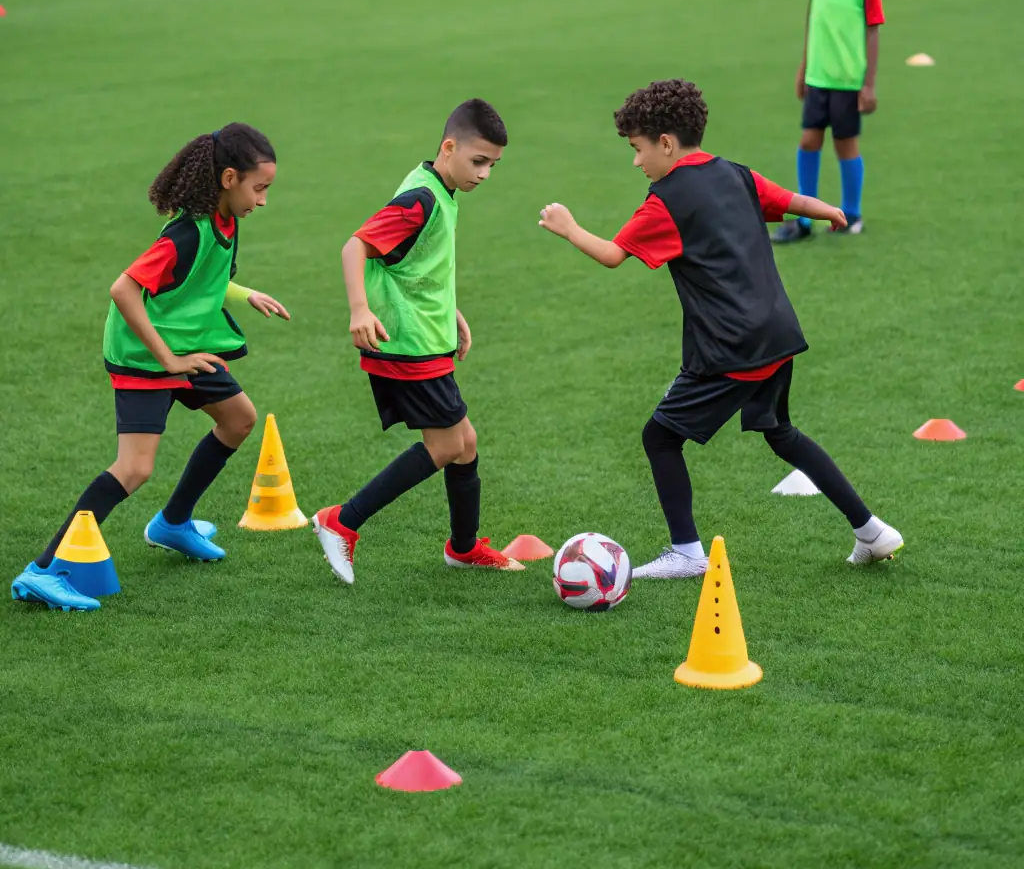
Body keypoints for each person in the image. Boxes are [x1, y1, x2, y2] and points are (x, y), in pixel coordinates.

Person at [539, 79, 902, 579]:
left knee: (659, 438)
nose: (637, 162)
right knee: (781, 433)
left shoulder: (665, 200)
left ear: (666, 143)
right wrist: (824, 209)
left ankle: (687, 552)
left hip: (731, 348)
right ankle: (872, 531)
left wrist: (569, 227)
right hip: (775, 333)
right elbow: (787, 200)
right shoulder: (734, 172)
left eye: (638, 149)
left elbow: (612, 255)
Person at [11, 123, 290, 612]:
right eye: (259, 188)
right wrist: (169, 361)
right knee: (135, 468)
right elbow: (124, 289)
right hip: (144, 355)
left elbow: (202, 280)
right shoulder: (186, 232)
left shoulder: (226, 220)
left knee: (238, 419)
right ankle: (44, 570)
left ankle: (173, 523)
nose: (263, 200)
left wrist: (246, 295)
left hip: (184, 346)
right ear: (229, 178)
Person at [312, 99, 522, 583]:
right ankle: (342, 521)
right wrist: (359, 310)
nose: (485, 174)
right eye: (478, 161)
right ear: (448, 147)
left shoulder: (440, 189)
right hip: (407, 345)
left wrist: (450, 311)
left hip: (426, 336)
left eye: (493, 164)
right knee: (447, 445)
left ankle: (463, 548)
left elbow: (413, 264)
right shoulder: (421, 199)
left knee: (465, 443)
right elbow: (356, 246)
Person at [773, 0, 884, 243]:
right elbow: (813, 22)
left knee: (844, 145)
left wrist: (868, 84)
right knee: (809, 141)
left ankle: (851, 214)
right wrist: (803, 68)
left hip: (847, 81)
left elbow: (873, 31)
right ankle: (805, 220)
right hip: (817, 78)